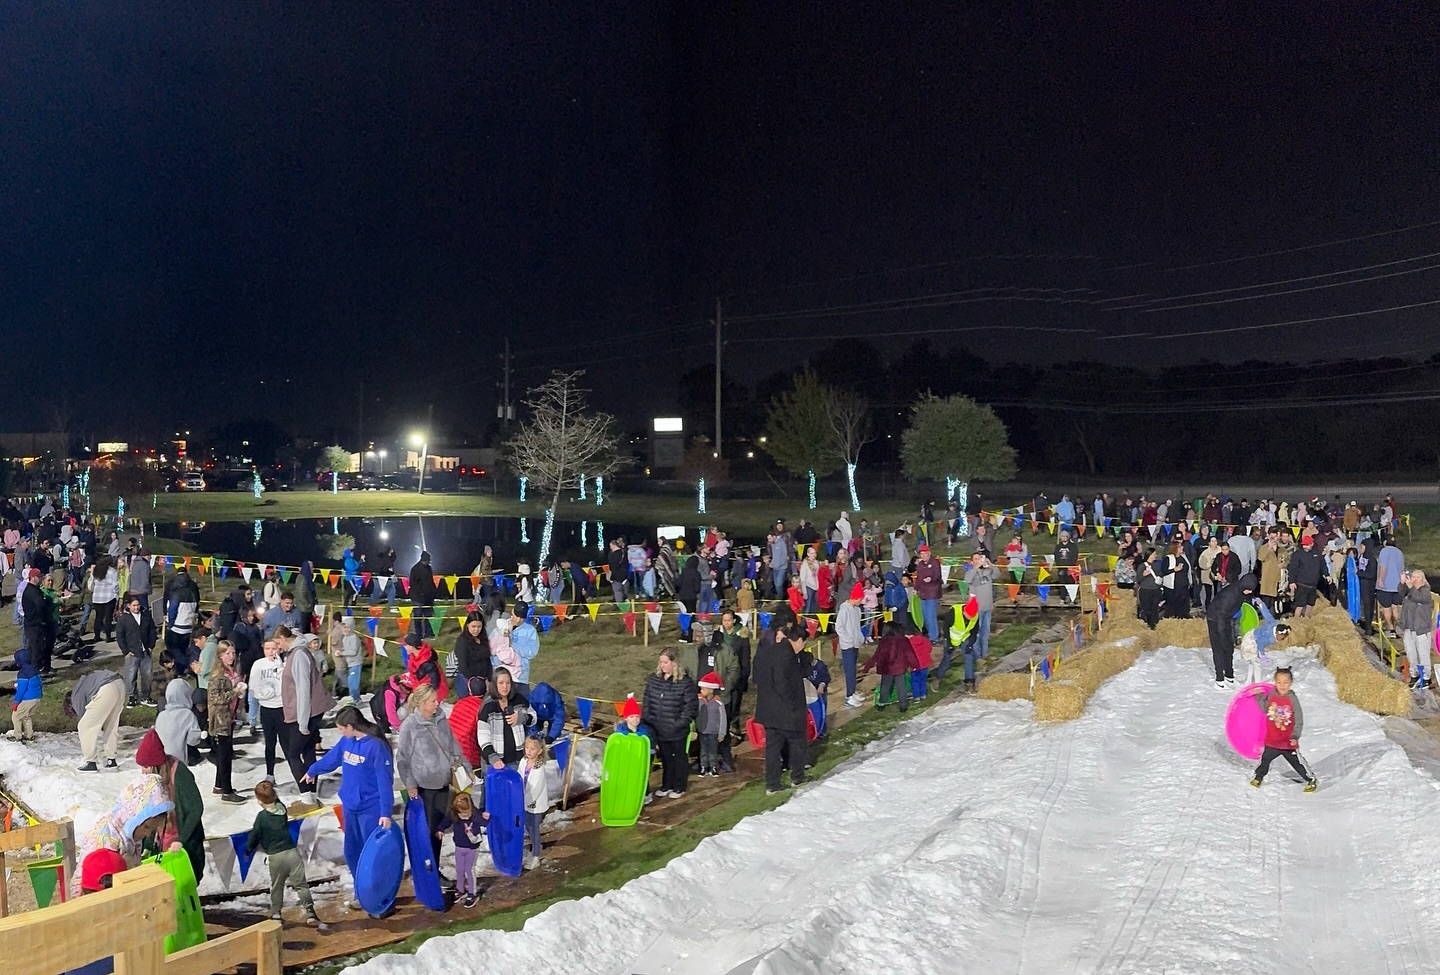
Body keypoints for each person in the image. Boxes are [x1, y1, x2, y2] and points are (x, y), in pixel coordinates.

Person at [303, 705, 395, 910]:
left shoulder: (376, 747)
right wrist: (312, 770)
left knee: (373, 856)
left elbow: (384, 781)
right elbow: (332, 759)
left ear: (351, 726)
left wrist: (385, 812)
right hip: (350, 806)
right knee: (352, 852)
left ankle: (380, 896)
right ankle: (361, 890)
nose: (340, 733)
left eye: (341, 729)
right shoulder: (347, 741)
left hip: (370, 809)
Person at [397, 683, 472, 874]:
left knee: (438, 831)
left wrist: (466, 767)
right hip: (424, 788)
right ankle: (426, 870)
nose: (437, 703)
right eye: (433, 701)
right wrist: (410, 784)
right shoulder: (410, 726)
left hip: (443, 784)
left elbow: (453, 746)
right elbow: (403, 758)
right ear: (421, 703)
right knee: (427, 831)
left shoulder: (441, 719)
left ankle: (435, 869)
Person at [74, 774, 173, 893]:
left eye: (152, 830)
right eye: (146, 827)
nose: (147, 834)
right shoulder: (104, 841)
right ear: (134, 816)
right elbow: (96, 889)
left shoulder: (131, 834)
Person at [134, 727, 206, 883]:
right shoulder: (153, 780)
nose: (143, 772)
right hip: (161, 840)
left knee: (183, 881)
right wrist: (146, 842)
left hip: (181, 838)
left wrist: (182, 838)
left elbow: (195, 807)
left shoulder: (179, 773)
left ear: (155, 764)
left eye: (145, 767)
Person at [247, 780, 321, 926]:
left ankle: (276, 914)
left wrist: (249, 850)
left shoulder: (262, 818)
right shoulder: (282, 810)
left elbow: (255, 835)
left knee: (277, 886)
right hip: (292, 853)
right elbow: (276, 801)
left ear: (259, 801)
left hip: (276, 856)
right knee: (301, 885)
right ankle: (311, 913)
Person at [753, 623, 809, 795]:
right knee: (798, 742)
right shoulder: (788, 655)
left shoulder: (768, 650)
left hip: (767, 709)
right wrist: (792, 703)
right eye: (804, 643)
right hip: (786, 710)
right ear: (798, 640)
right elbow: (782, 682)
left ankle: (772, 783)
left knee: (772, 748)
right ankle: (797, 776)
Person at [282, 633, 333, 805]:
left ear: (282, 638)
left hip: (305, 713)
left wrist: (303, 723)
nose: (279, 646)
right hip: (311, 711)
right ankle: (311, 791)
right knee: (309, 751)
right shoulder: (300, 653)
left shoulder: (298, 655)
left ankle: (306, 793)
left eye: (277, 642)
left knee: (293, 754)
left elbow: (304, 690)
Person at [1248, 667, 1318, 792]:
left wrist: (1295, 736)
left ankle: (1311, 779)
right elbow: (1265, 708)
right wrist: (1258, 695)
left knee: (1297, 763)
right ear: (1275, 682)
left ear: (1290, 683)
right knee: (1265, 761)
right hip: (1272, 740)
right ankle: (1259, 777)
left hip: (1288, 741)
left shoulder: (1292, 699)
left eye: (1285, 682)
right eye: (1279, 682)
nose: (1282, 685)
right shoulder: (1272, 695)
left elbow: (1299, 719)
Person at [641, 649, 698, 799]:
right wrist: (648, 718)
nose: (662, 665)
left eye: (666, 662)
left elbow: (690, 707)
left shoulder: (685, 682)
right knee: (665, 757)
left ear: (674, 663)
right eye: (661, 662)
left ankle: (679, 786)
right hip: (657, 727)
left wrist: (679, 723)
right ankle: (666, 784)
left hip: (676, 729)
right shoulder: (654, 679)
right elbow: (647, 700)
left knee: (678, 757)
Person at [208, 641, 248, 803]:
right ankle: (227, 791)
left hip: (229, 716)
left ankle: (219, 785)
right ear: (220, 655)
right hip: (220, 719)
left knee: (224, 752)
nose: (231, 656)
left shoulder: (231, 669)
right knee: (225, 755)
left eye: (232, 653)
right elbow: (214, 698)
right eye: (227, 654)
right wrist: (234, 692)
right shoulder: (218, 674)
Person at [476, 668, 536, 769]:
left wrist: (522, 718)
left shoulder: (519, 699)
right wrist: (493, 757)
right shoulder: (488, 706)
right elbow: (482, 736)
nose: (505, 686)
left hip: (517, 759)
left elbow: (534, 717)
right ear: (495, 685)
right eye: (501, 683)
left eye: (508, 683)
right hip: (495, 763)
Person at [1205, 573, 1257, 687]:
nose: (1249, 592)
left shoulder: (1241, 590)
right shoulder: (1229, 595)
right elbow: (1220, 616)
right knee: (1219, 648)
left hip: (1226, 618)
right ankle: (1219, 680)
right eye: (1249, 590)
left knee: (1229, 648)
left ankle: (1229, 676)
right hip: (1215, 619)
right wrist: (1222, 635)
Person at [440, 791, 488, 908]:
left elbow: (484, 823)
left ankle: (472, 893)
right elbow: (446, 822)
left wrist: (486, 818)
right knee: (460, 869)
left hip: (472, 847)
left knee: (469, 870)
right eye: (463, 814)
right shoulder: (454, 815)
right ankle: (460, 890)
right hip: (459, 846)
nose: (466, 816)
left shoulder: (475, 815)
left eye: (467, 813)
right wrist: (440, 829)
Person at [72, 669, 126, 771]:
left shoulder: (75, 696)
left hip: (107, 688)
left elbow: (83, 717)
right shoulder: (85, 684)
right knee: (111, 724)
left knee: (85, 726)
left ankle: (90, 762)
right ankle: (111, 760)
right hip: (119, 683)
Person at [249, 638, 287, 782]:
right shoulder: (258, 664)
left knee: (286, 743)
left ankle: (296, 771)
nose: (270, 652)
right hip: (266, 708)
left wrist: (279, 665)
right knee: (270, 743)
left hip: (281, 708)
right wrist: (262, 694)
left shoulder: (283, 663)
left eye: (273, 648)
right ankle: (270, 774)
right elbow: (253, 685)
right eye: (267, 649)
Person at [863, 620, 921, 711]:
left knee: (885, 685)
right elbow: (909, 653)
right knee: (900, 686)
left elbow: (877, 654)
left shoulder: (884, 641)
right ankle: (903, 706)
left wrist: (868, 666)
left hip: (886, 667)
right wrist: (915, 665)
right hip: (900, 667)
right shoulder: (903, 640)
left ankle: (881, 704)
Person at [1399, 569, 1435, 690]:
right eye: (1412, 577)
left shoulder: (1425, 592)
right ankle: (1414, 674)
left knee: (1423, 654)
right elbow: (1401, 593)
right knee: (1410, 653)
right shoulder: (1411, 590)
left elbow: (1417, 597)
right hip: (1409, 628)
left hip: (1421, 629)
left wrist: (1410, 586)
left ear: (1423, 579)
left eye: (1417, 577)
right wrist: (1402, 583)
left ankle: (1426, 678)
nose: (1414, 579)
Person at [518, 736, 550, 870]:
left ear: (540, 750)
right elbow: (519, 776)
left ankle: (536, 855)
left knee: (534, 828)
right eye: (527, 748)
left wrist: (526, 801)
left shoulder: (539, 768)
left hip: (535, 803)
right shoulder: (524, 761)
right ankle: (536, 845)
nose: (529, 751)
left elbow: (536, 789)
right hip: (523, 800)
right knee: (528, 827)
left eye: (533, 749)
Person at [154, 678, 202, 766]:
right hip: (180, 760)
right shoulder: (187, 714)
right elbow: (193, 740)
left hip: (162, 759)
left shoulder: (161, 715)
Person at [162, 566, 200, 671]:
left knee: (173, 647)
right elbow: (197, 605)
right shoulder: (192, 591)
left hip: (177, 626)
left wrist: (169, 624)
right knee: (183, 648)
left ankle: (187, 666)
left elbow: (173, 610)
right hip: (189, 625)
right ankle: (182, 669)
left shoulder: (176, 594)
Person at [453, 610, 492, 699]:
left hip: (483, 681)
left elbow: (487, 660)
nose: (476, 629)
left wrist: (488, 679)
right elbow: (464, 666)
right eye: (473, 626)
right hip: (466, 681)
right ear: (467, 625)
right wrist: (479, 679)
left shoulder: (483, 639)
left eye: (479, 626)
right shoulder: (462, 641)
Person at [964, 551, 996, 657]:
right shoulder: (970, 572)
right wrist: (976, 568)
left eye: (979, 558)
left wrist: (990, 564)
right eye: (976, 559)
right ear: (972, 561)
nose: (978, 561)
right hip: (976, 608)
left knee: (985, 633)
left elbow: (997, 574)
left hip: (988, 607)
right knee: (976, 633)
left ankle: (985, 654)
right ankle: (977, 656)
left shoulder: (987, 571)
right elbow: (968, 580)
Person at [695, 671, 727, 776]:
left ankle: (713, 767)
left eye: (703, 689)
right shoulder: (698, 701)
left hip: (713, 731)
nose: (701, 691)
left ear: (711, 690)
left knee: (713, 750)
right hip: (702, 730)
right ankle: (704, 767)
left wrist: (721, 733)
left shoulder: (718, 703)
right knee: (703, 750)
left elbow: (723, 718)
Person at [1287, 534, 1325, 619]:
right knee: (1300, 604)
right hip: (1301, 584)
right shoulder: (1297, 554)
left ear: (1312, 544)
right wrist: (1292, 581)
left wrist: (1327, 575)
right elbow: (1293, 568)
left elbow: (1323, 565)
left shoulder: (1317, 554)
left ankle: (1307, 619)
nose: (1305, 547)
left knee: (1310, 603)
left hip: (1313, 585)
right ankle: (1296, 621)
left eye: (1307, 545)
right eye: (1304, 545)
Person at [1376, 538, 1406, 638]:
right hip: (1398, 585)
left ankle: (1391, 629)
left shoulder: (1384, 551)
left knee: (1386, 608)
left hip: (1386, 585)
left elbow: (1383, 566)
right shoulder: (1399, 552)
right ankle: (1397, 626)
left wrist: (1380, 579)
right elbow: (1402, 569)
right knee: (1395, 607)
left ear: (1385, 542)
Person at [913, 545, 942, 642]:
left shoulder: (935, 563)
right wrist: (916, 588)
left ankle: (934, 637)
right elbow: (918, 578)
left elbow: (937, 575)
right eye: (922, 554)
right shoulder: (920, 564)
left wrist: (931, 579)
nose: (923, 556)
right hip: (923, 593)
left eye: (925, 553)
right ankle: (931, 634)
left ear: (929, 553)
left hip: (932, 593)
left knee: (931, 616)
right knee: (925, 616)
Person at [409, 551, 438, 639]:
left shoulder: (429, 568)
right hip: (418, 598)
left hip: (428, 597)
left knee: (428, 616)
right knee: (417, 617)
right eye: (428, 561)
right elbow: (413, 584)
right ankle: (419, 635)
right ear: (423, 560)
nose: (429, 562)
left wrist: (433, 591)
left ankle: (428, 633)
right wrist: (421, 594)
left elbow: (430, 581)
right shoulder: (415, 569)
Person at [90, 556, 119, 643]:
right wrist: (117, 595)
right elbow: (115, 585)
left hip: (97, 597)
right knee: (108, 617)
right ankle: (108, 636)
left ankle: (97, 635)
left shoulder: (96, 570)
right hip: (109, 597)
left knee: (98, 617)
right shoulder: (112, 571)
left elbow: (92, 583)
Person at [334, 617, 363, 702]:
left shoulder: (353, 637)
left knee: (353, 683)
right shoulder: (345, 638)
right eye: (344, 627)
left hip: (356, 663)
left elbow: (353, 651)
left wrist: (341, 653)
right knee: (350, 682)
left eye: (348, 627)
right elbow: (347, 648)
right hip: (350, 663)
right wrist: (342, 650)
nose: (346, 629)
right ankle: (354, 698)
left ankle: (356, 699)